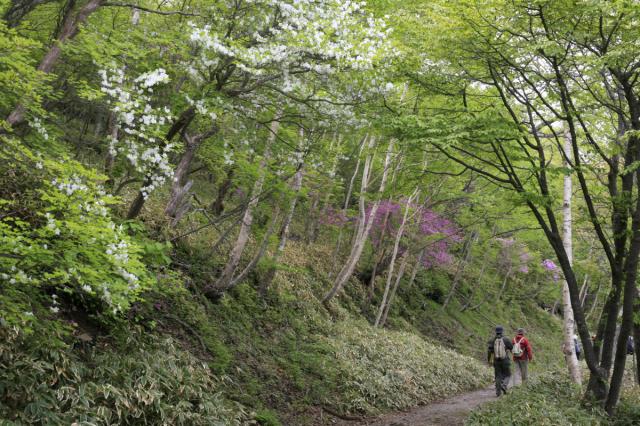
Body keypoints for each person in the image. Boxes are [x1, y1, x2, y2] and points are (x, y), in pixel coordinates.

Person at [488, 325, 513, 396]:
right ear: (502, 331)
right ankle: (504, 385)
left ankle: (498, 392)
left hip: (496, 361)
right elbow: (512, 348)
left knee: (498, 376)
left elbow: (489, 351)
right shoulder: (506, 339)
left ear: (495, 332)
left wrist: (489, 360)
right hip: (505, 360)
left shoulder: (492, 340)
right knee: (508, 374)